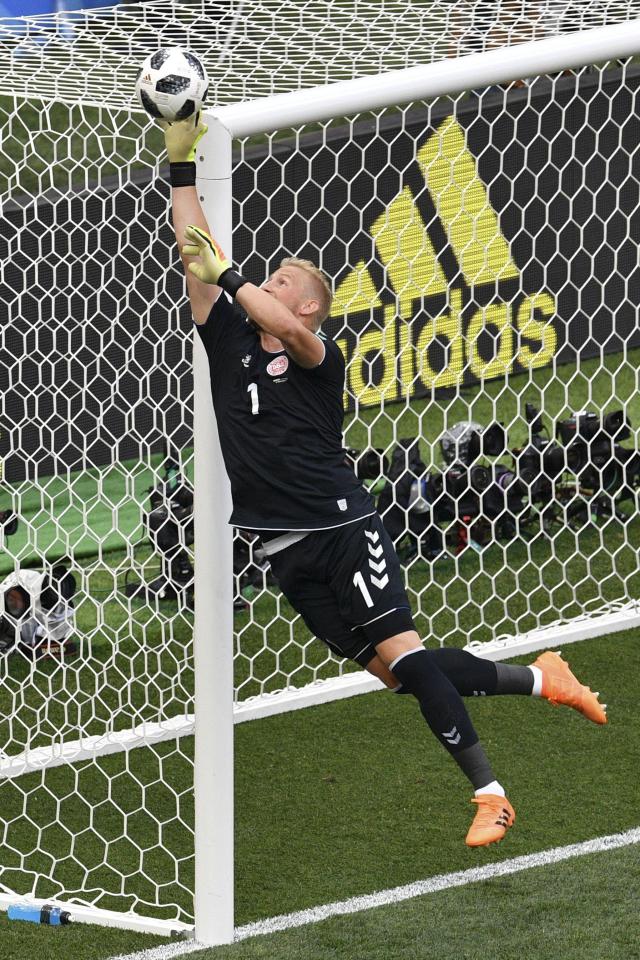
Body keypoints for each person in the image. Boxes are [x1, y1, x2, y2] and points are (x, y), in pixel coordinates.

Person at [163, 115, 607, 848]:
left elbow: (247, 292)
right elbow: (194, 256)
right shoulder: (228, 339)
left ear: (306, 305)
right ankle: (543, 679)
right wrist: (182, 166)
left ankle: (492, 795)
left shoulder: (316, 352)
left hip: (342, 529)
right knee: (405, 675)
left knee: (408, 656)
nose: (266, 286)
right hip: (281, 547)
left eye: (282, 282)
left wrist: (235, 275)